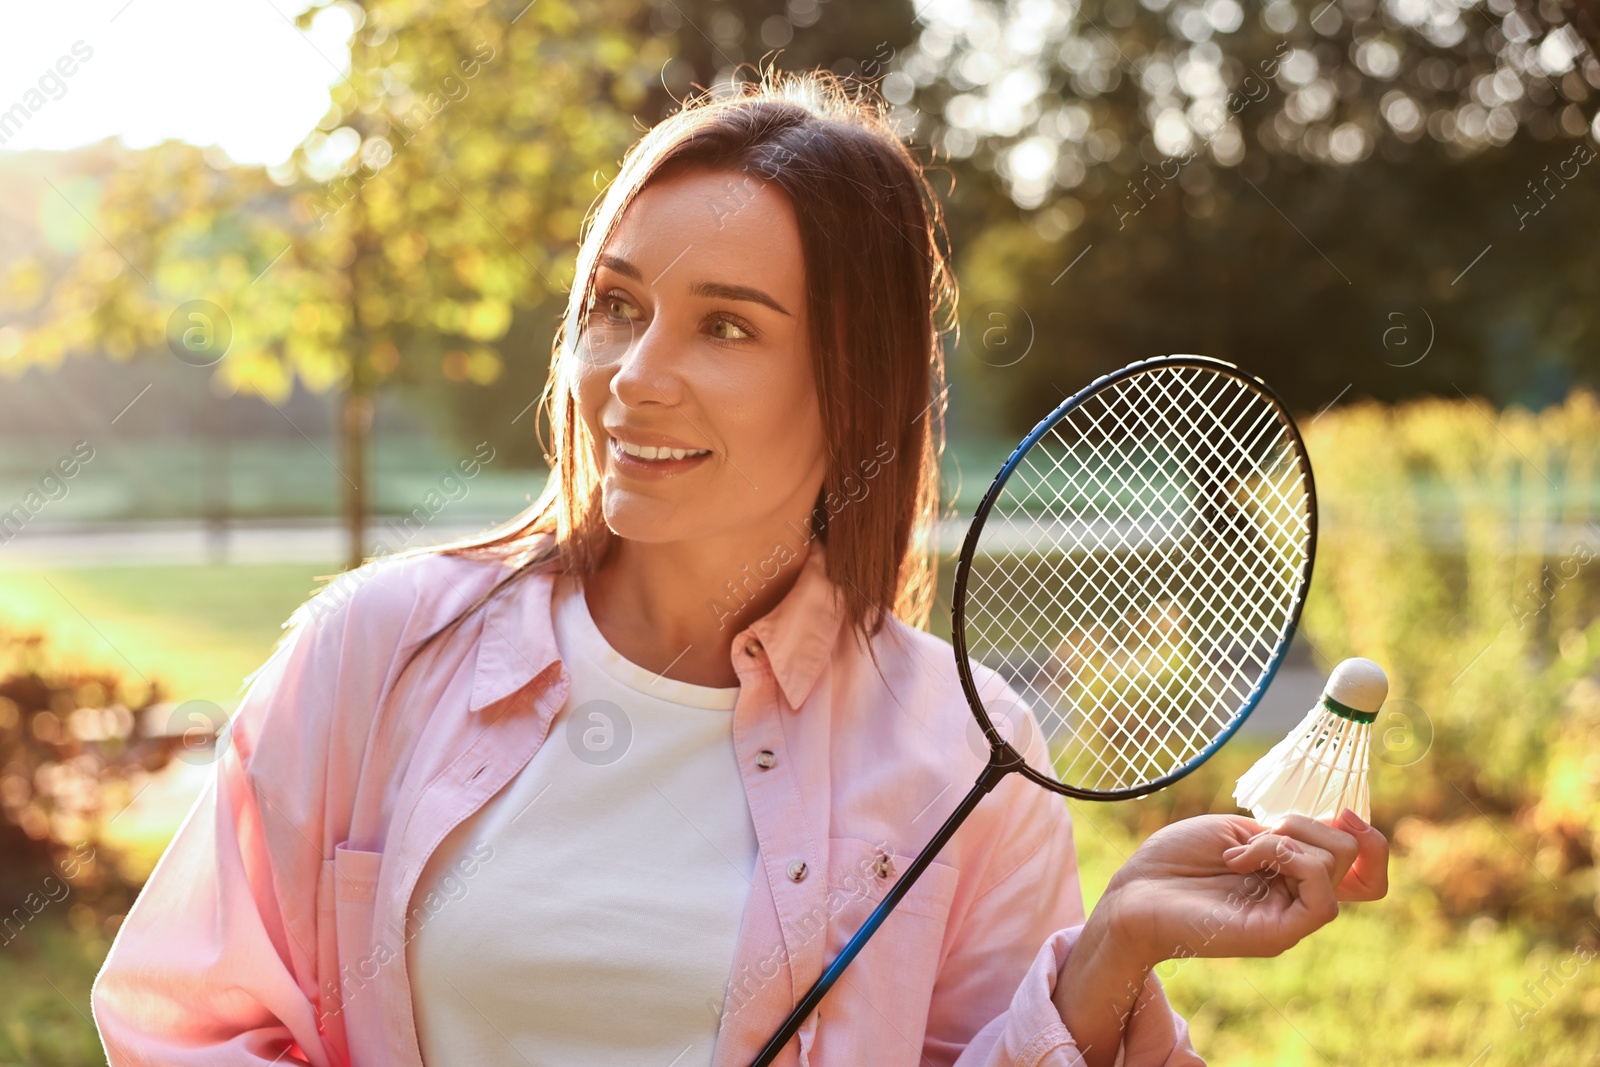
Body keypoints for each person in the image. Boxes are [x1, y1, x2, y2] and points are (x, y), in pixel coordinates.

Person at [90, 68, 1388, 1067]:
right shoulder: (375, 654)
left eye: (726, 325)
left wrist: (1112, 952)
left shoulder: (961, 757)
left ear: (851, 384)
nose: (635, 373)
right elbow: (182, 1022)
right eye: (615, 304)